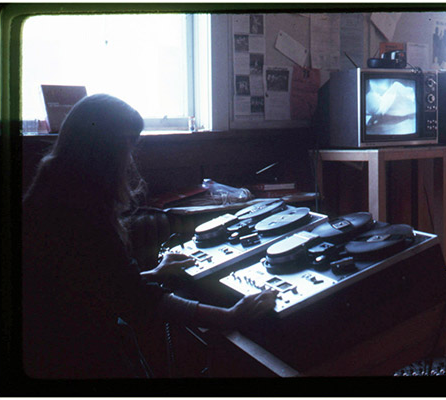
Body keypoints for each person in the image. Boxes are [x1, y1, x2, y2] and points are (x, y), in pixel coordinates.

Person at [21, 94, 277, 379]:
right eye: (127, 147)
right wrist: (230, 316)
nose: (129, 160)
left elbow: (95, 281)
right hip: (71, 357)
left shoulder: (53, 188)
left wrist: (154, 272)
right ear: (103, 152)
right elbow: (136, 301)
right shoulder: (78, 210)